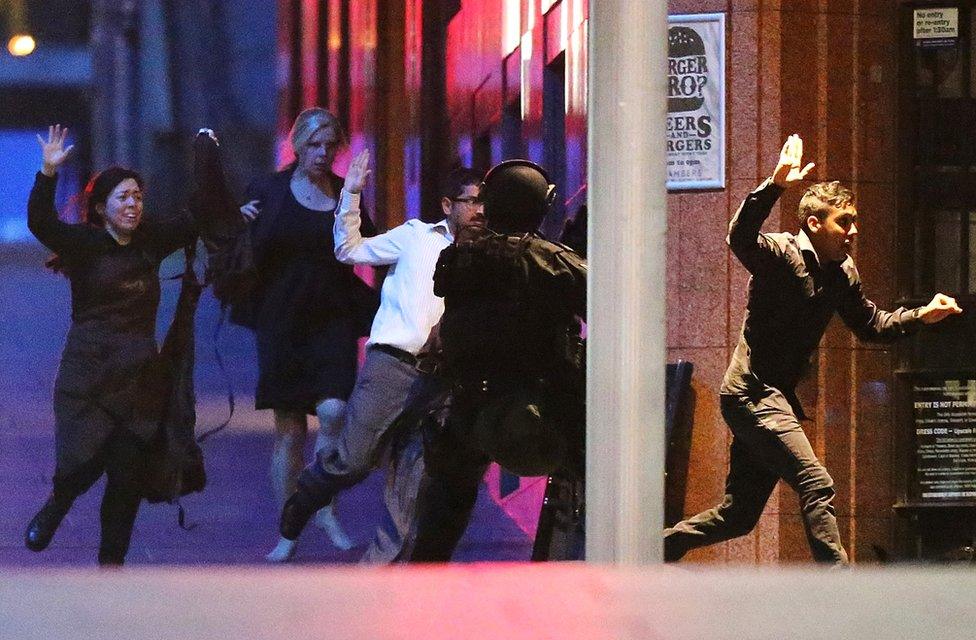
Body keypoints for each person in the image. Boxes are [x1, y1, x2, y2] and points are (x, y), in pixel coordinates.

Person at [664, 135, 963, 564]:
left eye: (855, 220)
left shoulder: (842, 272)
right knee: (816, 481)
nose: (855, 231)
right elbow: (740, 237)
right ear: (813, 224)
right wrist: (775, 183)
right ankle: (839, 588)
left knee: (738, 517)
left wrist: (921, 315)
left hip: (775, 399)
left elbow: (872, 325)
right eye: (845, 222)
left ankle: (651, 549)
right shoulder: (782, 254)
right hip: (750, 394)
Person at [276, 152, 485, 562]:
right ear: (448, 205)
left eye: (484, 203)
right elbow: (349, 251)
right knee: (353, 462)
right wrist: (351, 192)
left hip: (441, 380)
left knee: (411, 480)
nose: (480, 210)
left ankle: (375, 575)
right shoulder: (416, 236)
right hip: (392, 366)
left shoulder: (486, 255)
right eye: (472, 201)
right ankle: (304, 497)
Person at [23, 125, 197, 565]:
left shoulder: (150, 242)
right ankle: (56, 507)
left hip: (140, 380)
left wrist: (214, 166)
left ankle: (110, 575)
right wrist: (47, 171)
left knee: (126, 480)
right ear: (101, 208)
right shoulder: (85, 244)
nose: (133, 205)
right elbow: (41, 223)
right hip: (89, 375)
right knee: (81, 464)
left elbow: (194, 219)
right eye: (123, 197)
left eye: (138, 196)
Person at [405, 159, 588, 562]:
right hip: (535, 406)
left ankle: (418, 589)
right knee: (591, 479)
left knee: (442, 518)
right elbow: (593, 294)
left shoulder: (461, 256)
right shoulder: (553, 262)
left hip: (465, 405)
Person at [243, 108, 380, 562]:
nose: (322, 154)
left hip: (333, 317)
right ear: (296, 146)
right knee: (290, 430)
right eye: (313, 145)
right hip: (282, 320)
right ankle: (290, 527)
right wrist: (239, 222)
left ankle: (325, 510)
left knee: (335, 411)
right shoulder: (269, 191)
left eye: (329, 146)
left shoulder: (345, 194)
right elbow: (235, 245)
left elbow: (373, 248)